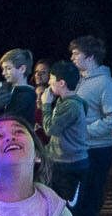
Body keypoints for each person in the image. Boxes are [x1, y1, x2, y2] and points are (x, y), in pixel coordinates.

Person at [67, 35, 112, 216]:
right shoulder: (78, 81)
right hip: (80, 149)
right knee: (79, 201)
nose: (72, 57)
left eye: (76, 53)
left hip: (97, 149)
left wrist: (85, 130)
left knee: (88, 200)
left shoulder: (106, 84)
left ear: (90, 57)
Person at [39, 60, 91, 202]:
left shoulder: (71, 105)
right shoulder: (66, 102)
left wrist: (46, 105)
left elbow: (51, 129)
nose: (49, 82)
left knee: (64, 206)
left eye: (52, 78)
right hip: (64, 161)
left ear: (61, 83)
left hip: (68, 164)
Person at [0, 49, 37, 122]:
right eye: (3, 69)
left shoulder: (27, 96)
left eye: (8, 68)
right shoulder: (6, 89)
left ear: (22, 69)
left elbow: (9, 122)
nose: (3, 73)